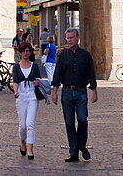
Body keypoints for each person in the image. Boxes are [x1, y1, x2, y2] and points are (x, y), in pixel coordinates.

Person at [51, 27, 98, 163]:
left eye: (72, 37)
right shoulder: (62, 55)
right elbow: (57, 74)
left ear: (77, 38)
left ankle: (81, 145)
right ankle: (74, 152)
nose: (69, 40)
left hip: (81, 91)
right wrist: (54, 92)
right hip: (66, 92)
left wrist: (94, 91)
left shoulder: (85, 55)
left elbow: (91, 74)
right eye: (67, 38)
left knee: (83, 119)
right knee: (69, 123)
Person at [12, 41, 47, 160]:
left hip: (32, 96)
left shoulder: (35, 66)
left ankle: (30, 148)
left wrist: (38, 82)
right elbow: (15, 81)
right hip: (21, 97)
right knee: (22, 125)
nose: (26, 53)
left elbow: (39, 80)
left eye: (28, 51)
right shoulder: (16, 67)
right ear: (20, 53)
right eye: (23, 51)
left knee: (30, 124)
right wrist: (16, 91)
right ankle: (22, 142)